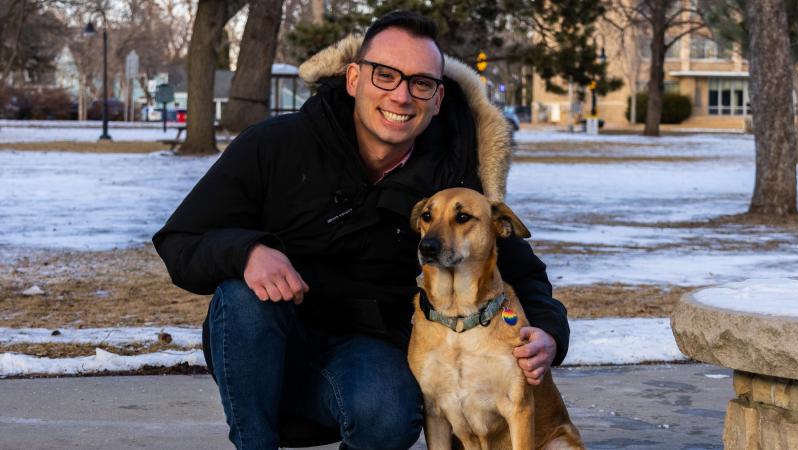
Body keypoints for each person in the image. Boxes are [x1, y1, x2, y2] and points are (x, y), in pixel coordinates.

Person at [153, 10, 570, 450]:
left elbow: (521, 271)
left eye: (420, 83)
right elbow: (179, 241)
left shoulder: (450, 185)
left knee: (392, 408)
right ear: (354, 78)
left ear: (438, 98)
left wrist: (548, 334)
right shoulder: (275, 144)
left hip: (365, 358)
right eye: (385, 75)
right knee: (242, 296)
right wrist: (247, 251)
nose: (402, 95)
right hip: (265, 345)